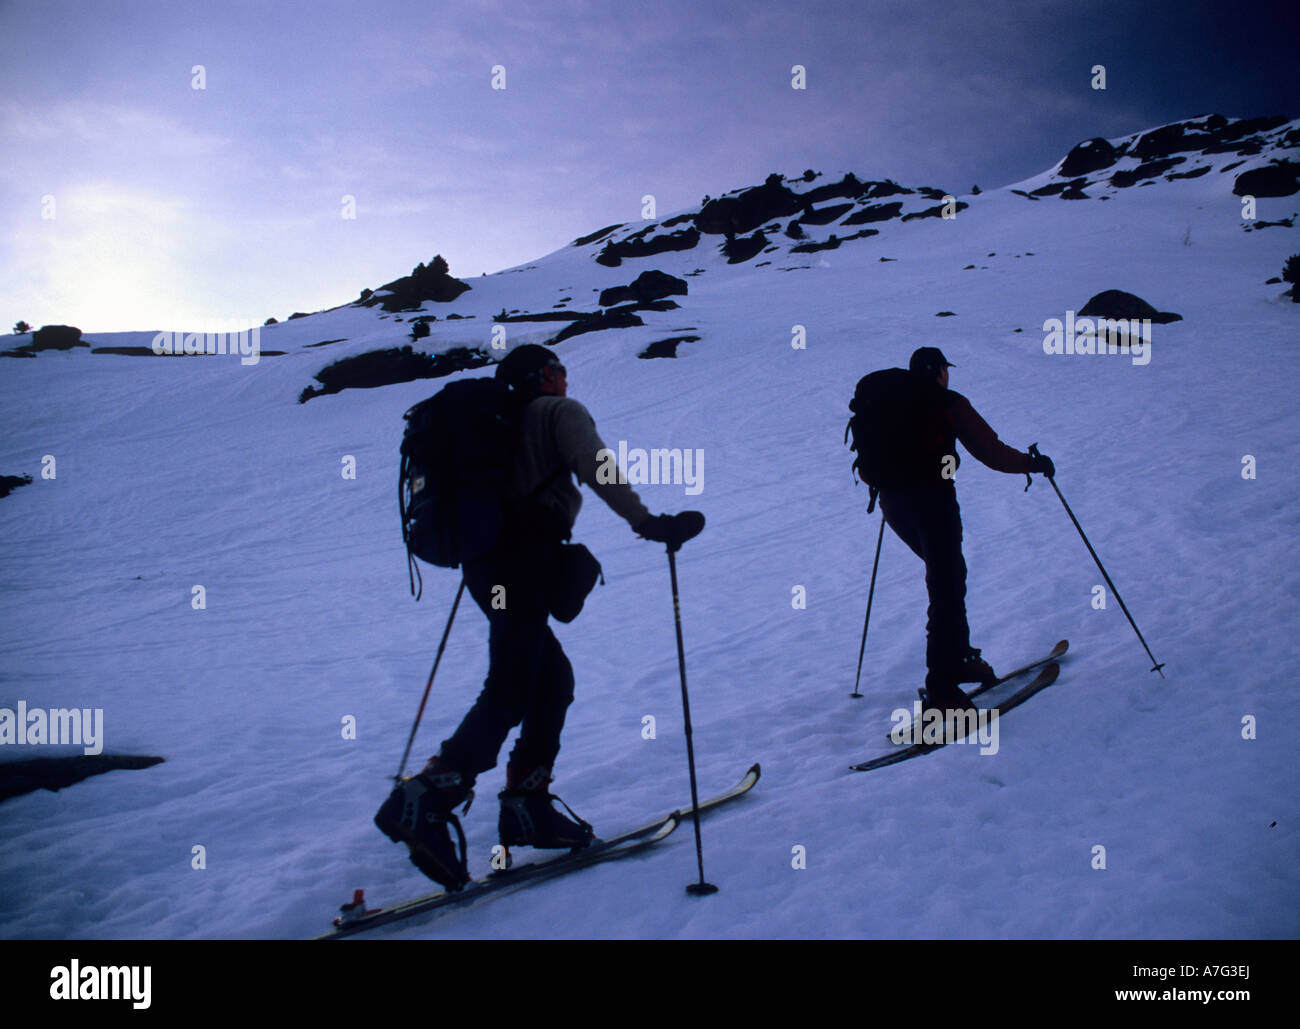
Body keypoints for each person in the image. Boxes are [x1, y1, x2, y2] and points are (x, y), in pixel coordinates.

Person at [375, 344, 700, 888]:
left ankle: (527, 805)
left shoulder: (494, 427)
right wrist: (647, 523)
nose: (567, 383)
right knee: (512, 686)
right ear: (544, 376)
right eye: (560, 372)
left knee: (547, 680)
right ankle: (427, 798)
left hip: (488, 567)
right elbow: (597, 467)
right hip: (521, 561)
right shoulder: (555, 413)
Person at [873, 346, 1054, 715]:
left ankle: (958, 658)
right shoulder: (948, 403)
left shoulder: (889, 401)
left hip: (894, 506)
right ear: (940, 371)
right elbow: (991, 452)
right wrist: (1032, 464)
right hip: (932, 506)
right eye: (945, 370)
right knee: (946, 585)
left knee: (949, 578)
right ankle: (942, 682)